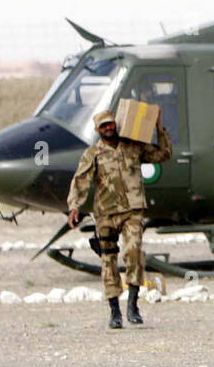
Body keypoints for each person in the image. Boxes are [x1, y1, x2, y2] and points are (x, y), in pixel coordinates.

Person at [66, 108, 173, 328]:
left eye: (110, 123)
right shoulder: (93, 154)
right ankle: (114, 311)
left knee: (133, 251)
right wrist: (74, 206)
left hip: (133, 210)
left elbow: (163, 155)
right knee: (108, 261)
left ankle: (133, 304)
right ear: (97, 129)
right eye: (103, 125)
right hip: (106, 214)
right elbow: (81, 180)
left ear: (116, 124)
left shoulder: (133, 146)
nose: (108, 128)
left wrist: (159, 129)